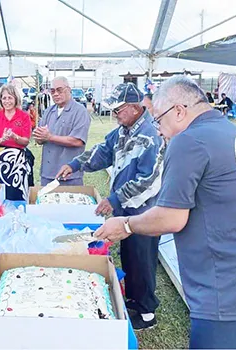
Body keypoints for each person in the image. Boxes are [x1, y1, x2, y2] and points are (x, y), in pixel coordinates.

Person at [95, 75, 236, 349]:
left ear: (178, 111)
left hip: (227, 298)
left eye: (158, 119)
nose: (157, 129)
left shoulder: (189, 140)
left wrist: (125, 224)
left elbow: (171, 217)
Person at [56, 82, 164, 330]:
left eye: (118, 109)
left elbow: (148, 181)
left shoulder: (150, 136)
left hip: (144, 211)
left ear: (136, 107)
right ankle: (134, 301)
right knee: (129, 256)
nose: (114, 114)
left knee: (142, 259)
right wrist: (75, 164)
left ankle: (147, 313)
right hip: (125, 210)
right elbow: (102, 152)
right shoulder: (123, 131)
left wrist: (114, 199)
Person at [33, 76, 91, 186]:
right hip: (47, 174)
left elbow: (78, 141)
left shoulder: (80, 111)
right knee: (46, 202)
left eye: (59, 90)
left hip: (69, 175)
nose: (55, 94)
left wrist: (49, 137)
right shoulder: (49, 111)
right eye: (52, 91)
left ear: (69, 90)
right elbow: (40, 138)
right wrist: (39, 137)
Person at [0, 84, 32, 200]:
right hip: (0, 160)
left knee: (20, 193)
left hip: (19, 161)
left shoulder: (24, 116)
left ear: (16, 98)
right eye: (4, 98)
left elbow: (26, 141)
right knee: (3, 193)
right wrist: (1, 139)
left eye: (10, 98)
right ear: (0, 100)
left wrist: (14, 137)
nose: (7, 101)